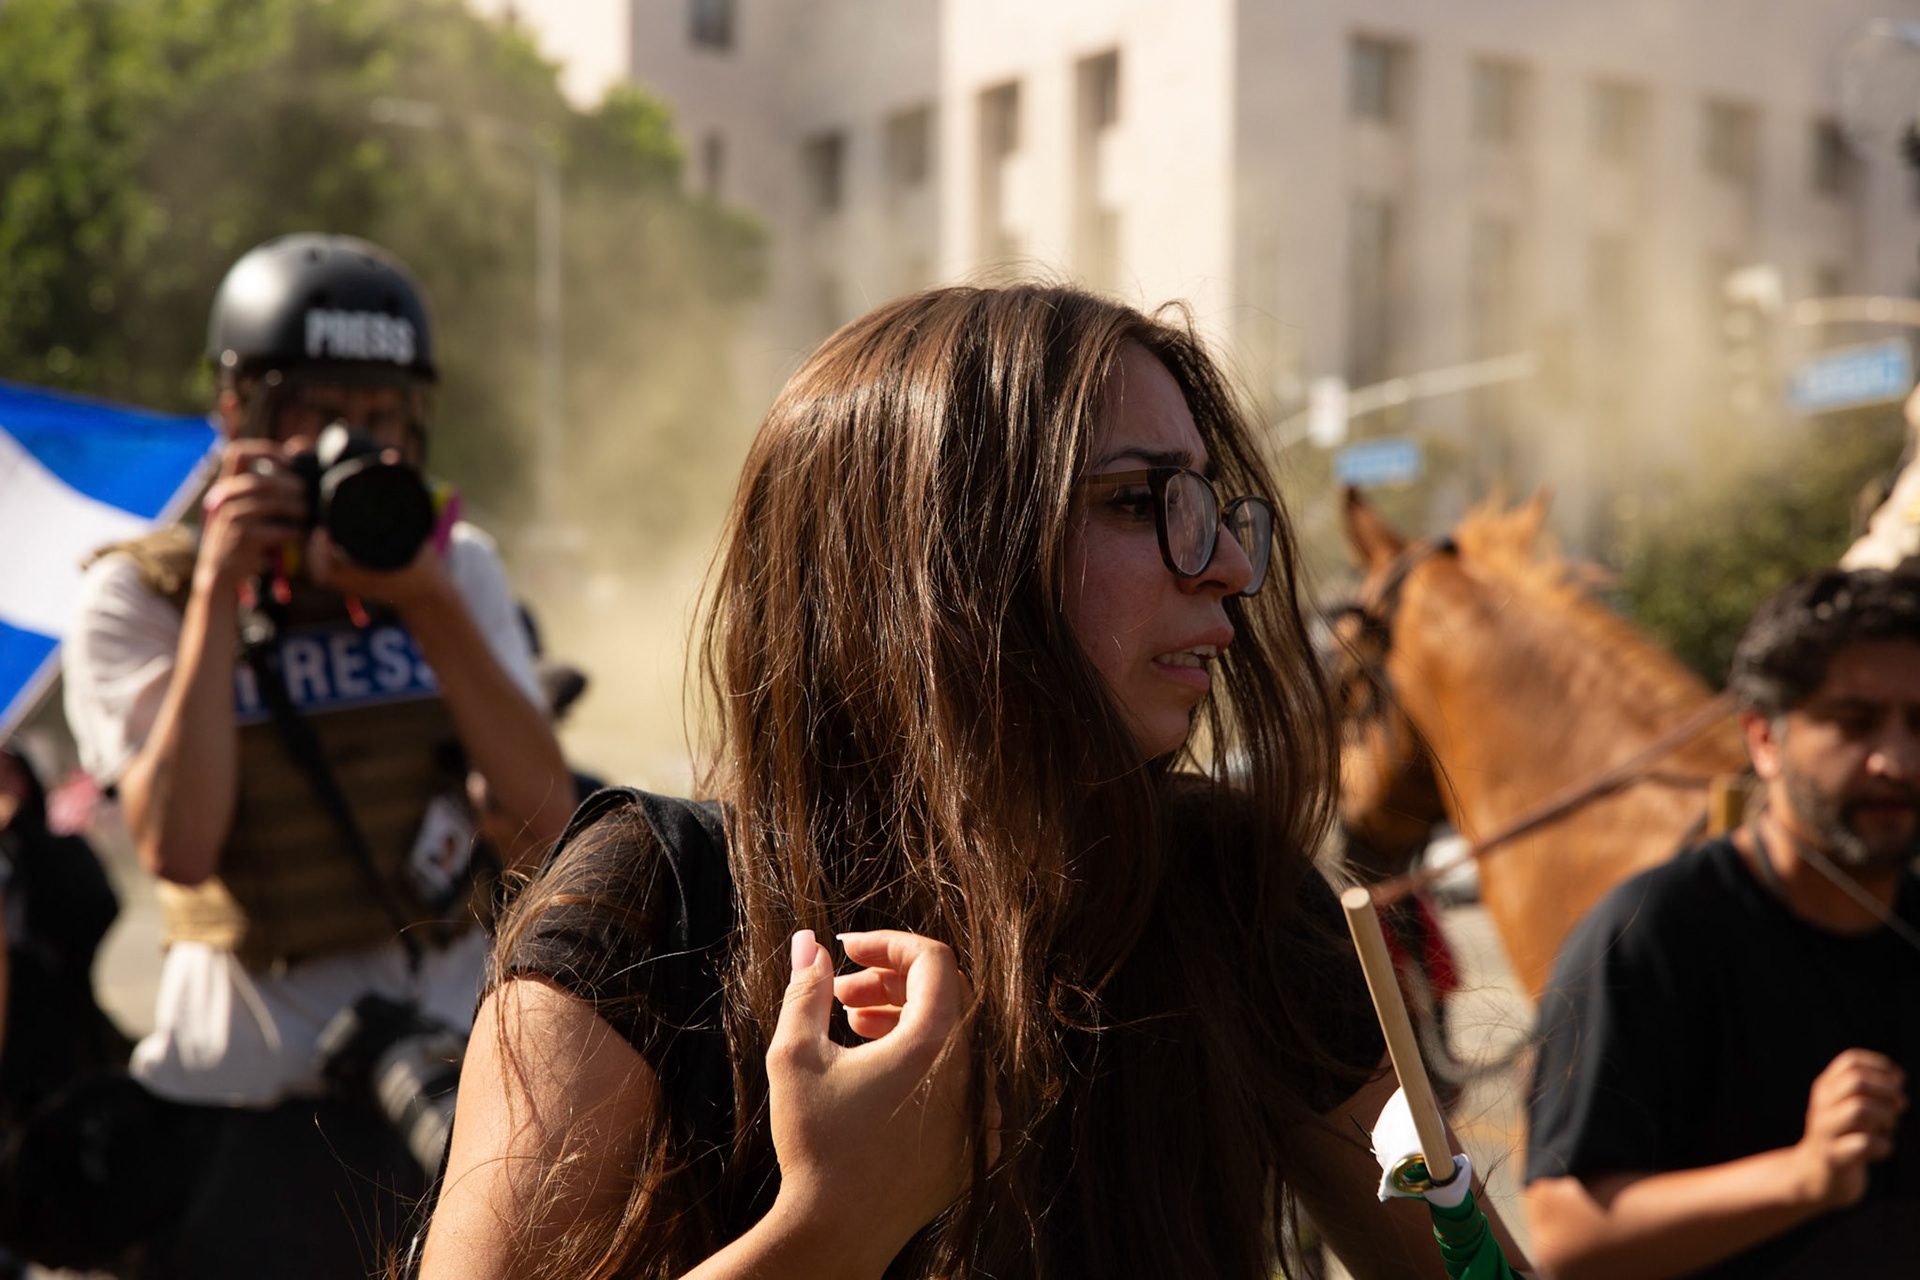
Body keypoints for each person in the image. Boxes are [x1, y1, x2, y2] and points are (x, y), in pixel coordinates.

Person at [420, 285, 1524, 1278]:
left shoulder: (1232, 896)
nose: (1228, 566)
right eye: (1140, 501)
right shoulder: (648, 906)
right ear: (936, 560)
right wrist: (833, 1225)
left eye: (1211, 502)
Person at [50, 233, 572, 1276]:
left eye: (379, 417)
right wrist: (218, 593)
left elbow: (547, 816)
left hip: (444, 1092)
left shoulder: (452, 568)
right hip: (243, 1112)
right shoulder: (139, 596)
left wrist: (421, 598)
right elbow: (180, 846)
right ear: (237, 416)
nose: (352, 446)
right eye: (317, 415)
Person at [1525, 567, 1920, 1277]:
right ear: (1763, 738)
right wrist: (1806, 1176)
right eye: (1855, 723)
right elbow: (1567, 1234)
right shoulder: (1650, 935)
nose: (1896, 760)